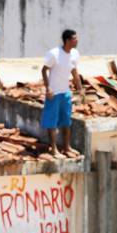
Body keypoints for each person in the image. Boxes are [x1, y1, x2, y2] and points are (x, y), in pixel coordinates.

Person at [41, 28, 84, 158]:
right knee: (52, 123)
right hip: (54, 93)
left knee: (66, 122)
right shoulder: (54, 53)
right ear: (67, 40)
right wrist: (48, 88)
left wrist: (80, 89)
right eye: (74, 38)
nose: (77, 40)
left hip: (65, 93)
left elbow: (74, 72)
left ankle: (67, 147)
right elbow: (44, 70)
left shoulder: (75, 54)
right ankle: (54, 149)